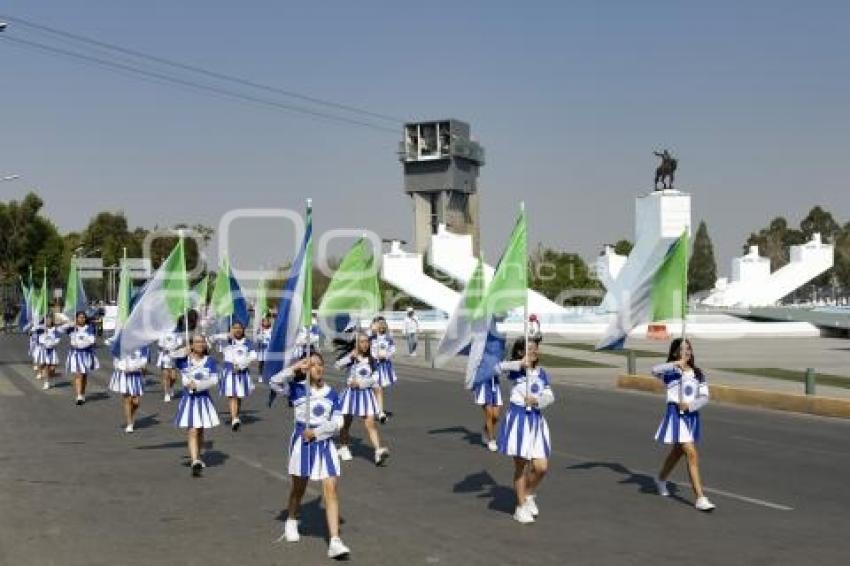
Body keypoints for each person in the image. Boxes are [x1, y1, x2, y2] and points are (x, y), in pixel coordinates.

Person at [271, 353, 351, 559]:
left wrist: (317, 432)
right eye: (311, 365)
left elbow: (339, 422)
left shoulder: (333, 394)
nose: (316, 368)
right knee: (299, 488)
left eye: (319, 364)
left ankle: (335, 541)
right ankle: (291, 519)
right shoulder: (296, 390)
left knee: (331, 490)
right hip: (302, 444)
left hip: (324, 444)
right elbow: (274, 382)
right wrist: (295, 367)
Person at [652, 338, 715, 512]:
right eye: (681, 349)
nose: (686, 352)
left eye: (688, 348)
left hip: (691, 416)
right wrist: (675, 364)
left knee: (677, 452)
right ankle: (700, 497)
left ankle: (660, 479)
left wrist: (690, 405)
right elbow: (654, 370)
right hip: (675, 415)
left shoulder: (698, 373)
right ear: (674, 353)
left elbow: (705, 397)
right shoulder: (670, 373)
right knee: (692, 453)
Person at [497, 339, 554, 524]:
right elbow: (495, 368)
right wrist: (518, 364)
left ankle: (528, 494)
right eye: (530, 349)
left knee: (541, 467)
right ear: (521, 352)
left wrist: (537, 401)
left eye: (535, 349)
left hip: (536, 421)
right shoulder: (514, 371)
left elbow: (550, 396)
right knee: (521, 466)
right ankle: (520, 507)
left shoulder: (542, 373)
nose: (534, 352)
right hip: (518, 420)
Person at [335, 331, 389, 466]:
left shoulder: (372, 360)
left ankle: (377, 451)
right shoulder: (351, 358)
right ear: (356, 344)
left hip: (366, 395)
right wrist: (349, 357)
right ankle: (343, 446)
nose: (365, 344)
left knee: (370, 423)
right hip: (351, 395)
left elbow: (375, 378)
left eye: (367, 341)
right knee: (346, 423)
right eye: (362, 341)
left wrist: (362, 383)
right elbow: (337, 366)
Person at [174, 334, 220, 476]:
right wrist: (183, 351)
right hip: (189, 400)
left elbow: (214, 380)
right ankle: (194, 460)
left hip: (203, 399)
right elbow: (172, 356)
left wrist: (198, 385)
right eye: (197, 342)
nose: (200, 344)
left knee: (200, 430)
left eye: (202, 342)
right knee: (193, 430)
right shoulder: (184, 360)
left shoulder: (210, 361)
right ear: (192, 344)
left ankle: (198, 456)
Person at [211, 321, 257, 431]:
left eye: (239, 328)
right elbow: (212, 338)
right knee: (232, 395)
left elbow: (253, 356)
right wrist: (227, 335)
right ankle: (234, 418)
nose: (237, 330)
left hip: (242, 372)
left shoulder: (248, 342)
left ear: (243, 329)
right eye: (235, 328)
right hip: (229, 372)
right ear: (231, 329)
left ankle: (236, 415)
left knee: (239, 395)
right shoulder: (227, 341)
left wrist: (242, 365)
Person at [110, 347, 148, 433]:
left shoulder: (142, 347)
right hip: (125, 376)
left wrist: (143, 371)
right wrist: (122, 367)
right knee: (128, 399)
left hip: (136, 376)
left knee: (136, 403)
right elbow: (116, 360)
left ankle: (130, 416)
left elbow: (144, 362)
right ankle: (129, 423)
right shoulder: (122, 345)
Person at [65, 311, 99, 405]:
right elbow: (60, 329)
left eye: (83, 317)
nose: (82, 319)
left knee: (84, 376)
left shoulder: (89, 328)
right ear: (76, 318)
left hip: (86, 354)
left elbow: (92, 340)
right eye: (80, 317)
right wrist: (71, 325)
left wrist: (83, 344)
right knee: (78, 375)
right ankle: (79, 396)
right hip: (75, 354)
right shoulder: (72, 328)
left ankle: (82, 393)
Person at [370, 317, 397, 424]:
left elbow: (392, 349)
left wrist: (386, 355)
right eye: (379, 325)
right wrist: (376, 356)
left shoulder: (388, 338)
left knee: (380, 389)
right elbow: (369, 350)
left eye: (383, 324)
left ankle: (379, 410)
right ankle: (378, 410)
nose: (381, 327)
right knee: (376, 388)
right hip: (374, 365)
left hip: (384, 365)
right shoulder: (372, 338)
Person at [35, 314, 61, 390]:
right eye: (47, 319)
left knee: (52, 368)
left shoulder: (55, 330)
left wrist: (51, 343)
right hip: (44, 350)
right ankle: (46, 382)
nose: (48, 321)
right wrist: (42, 331)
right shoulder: (40, 329)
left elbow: (57, 339)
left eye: (50, 319)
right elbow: (36, 336)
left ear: (52, 320)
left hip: (52, 350)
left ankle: (48, 375)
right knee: (46, 366)